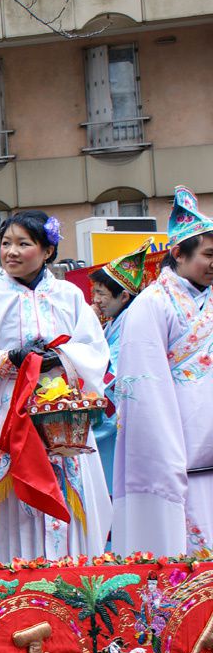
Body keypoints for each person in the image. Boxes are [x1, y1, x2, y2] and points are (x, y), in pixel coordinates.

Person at [0, 210, 111, 560]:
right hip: (6, 411)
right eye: (6, 243)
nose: (11, 252)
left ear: (47, 251)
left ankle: (70, 572)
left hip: (61, 412)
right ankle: (12, 574)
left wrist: (60, 357)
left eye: (24, 244)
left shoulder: (69, 296)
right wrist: (9, 357)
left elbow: (95, 349)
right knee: (10, 495)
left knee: (68, 481)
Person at [113, 187, 213, 556]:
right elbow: (146, 388)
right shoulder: (151, 305)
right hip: (177, 452)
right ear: (178, 253)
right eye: (208, 255)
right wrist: (168, 456)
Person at [88, 240, 150, 494]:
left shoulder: (131, 324)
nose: (96, 300)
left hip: (116, 414)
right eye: (94, 292)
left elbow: (112, 371)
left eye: (101, 293)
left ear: (124, 296)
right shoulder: (112, 323)